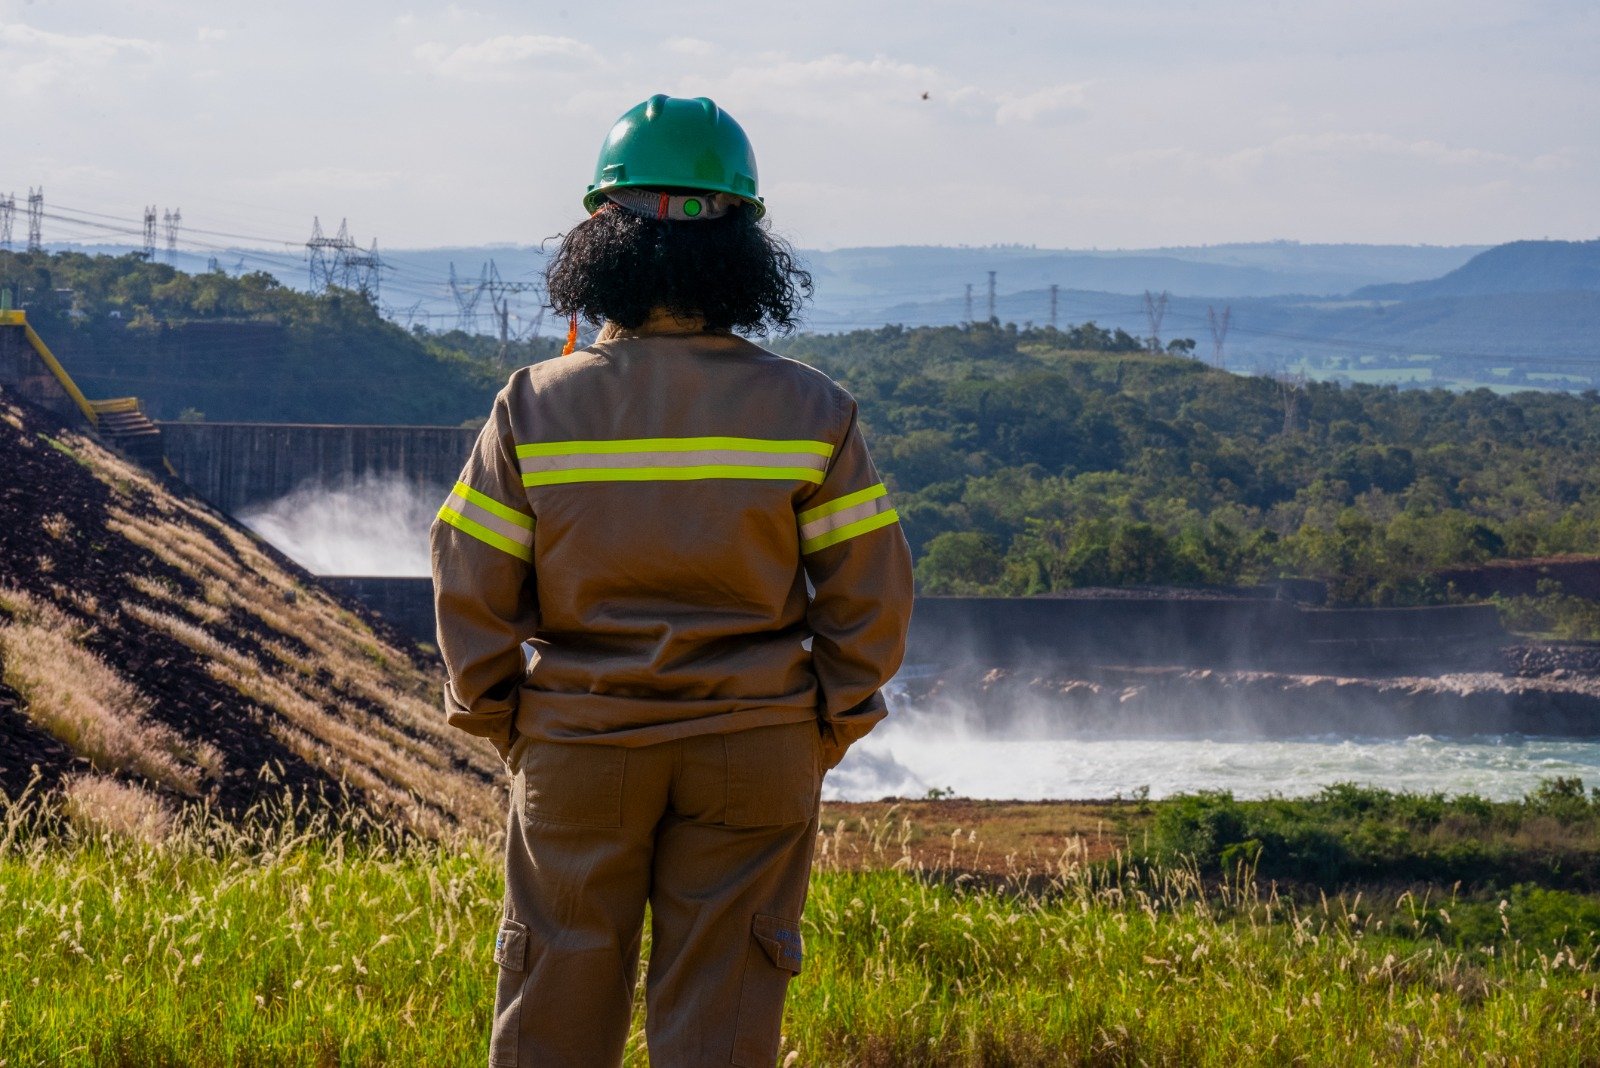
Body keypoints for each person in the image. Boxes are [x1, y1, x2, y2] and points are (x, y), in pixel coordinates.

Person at [430, 94, 914, 1068]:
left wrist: (502, 719)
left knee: (554, 994)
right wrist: (829, 721)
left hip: (577, 743)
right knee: (726, 1006)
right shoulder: (810, 409)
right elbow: (871, 596)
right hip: (757, 745)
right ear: (744, 245)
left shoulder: (534, 405)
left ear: (598, 237)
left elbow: (468, 587)